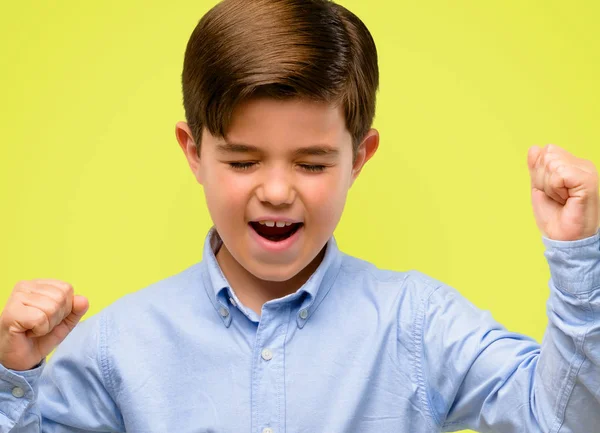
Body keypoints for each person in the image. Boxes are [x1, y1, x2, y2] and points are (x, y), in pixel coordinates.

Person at [1, 0, 599, 431]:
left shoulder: (419, 326)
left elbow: (560, 420)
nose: (278, 192)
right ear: (194, 152)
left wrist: (580, 265)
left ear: (359, 157)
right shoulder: (114, 350)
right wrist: (11, 378)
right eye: (242, 161)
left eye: (312, 164)